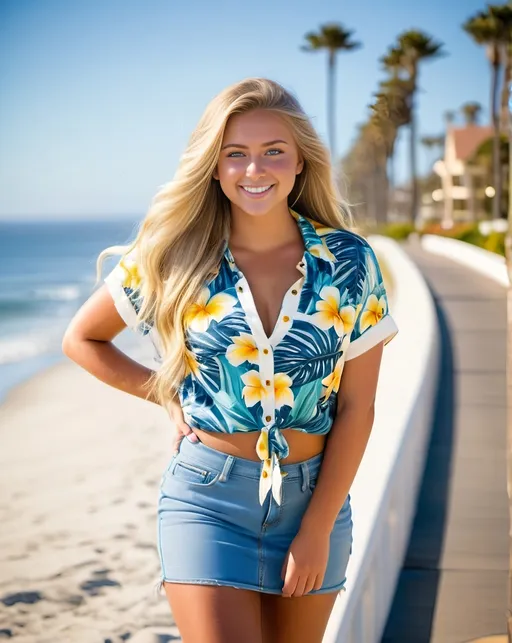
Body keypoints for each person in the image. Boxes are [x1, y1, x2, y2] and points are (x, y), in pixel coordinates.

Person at [62, 77, 399, 643]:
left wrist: (317, 527)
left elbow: (358, 407)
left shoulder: (348, 261)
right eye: (235, 154)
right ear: (214, 167)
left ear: (299, 164)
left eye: (274, 152)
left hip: (315, 499)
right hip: (206, 501)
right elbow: (83, 339)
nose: (254, 169)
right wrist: (166, 394)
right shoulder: (176, 253)